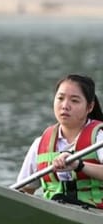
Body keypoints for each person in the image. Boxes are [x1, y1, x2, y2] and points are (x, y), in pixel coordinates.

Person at [17, 74, 103, 207]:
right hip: (54, 210)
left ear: (90, 107)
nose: (65, 106)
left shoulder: (99, 138)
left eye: (74, 101)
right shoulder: (40, 144)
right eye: (60, 98)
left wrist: (79, 165)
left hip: (95, 215)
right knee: (58, 198)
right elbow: (24, 190)